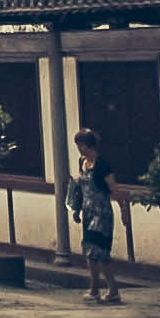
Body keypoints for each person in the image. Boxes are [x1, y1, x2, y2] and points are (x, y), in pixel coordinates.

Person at [68, 129, 127, 304]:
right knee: (89, 251)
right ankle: (94, 289)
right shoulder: (82, 163)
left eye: (81, 145)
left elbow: (113, 189)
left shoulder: (102, 165)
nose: (79, 148)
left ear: (89, 145)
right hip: (88, 211)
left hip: (101, 212)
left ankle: (113, 289)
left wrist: (123, 210)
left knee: (101, 251)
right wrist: (77, 209)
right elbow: (80, 189)